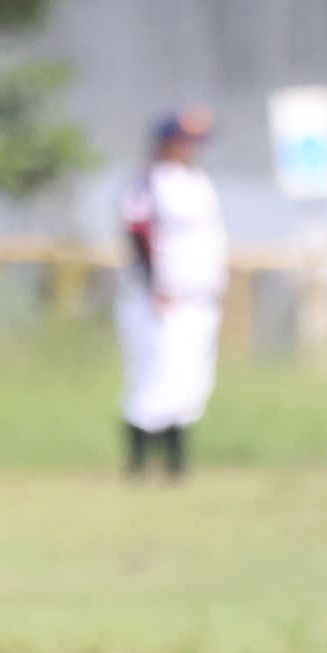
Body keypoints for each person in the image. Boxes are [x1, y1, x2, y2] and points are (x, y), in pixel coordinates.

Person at [113, 107, 227, 480]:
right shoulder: (149, 181)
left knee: (190, 381)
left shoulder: (197, 182)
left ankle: (176, 464)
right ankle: (138, 464)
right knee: (154, 378)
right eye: (184, 141)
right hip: (162, 299)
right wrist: (154, 285)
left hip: (199, 297)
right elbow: (138, 233)